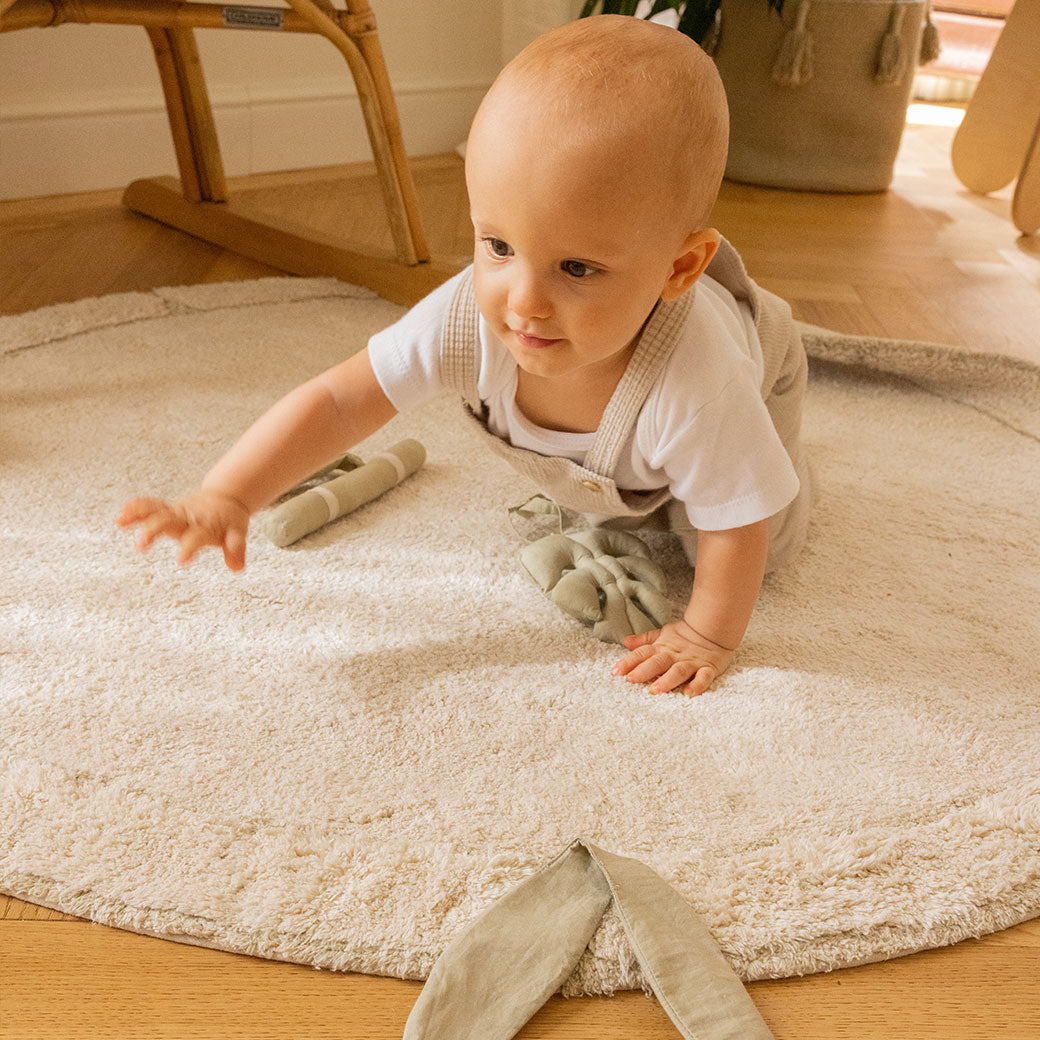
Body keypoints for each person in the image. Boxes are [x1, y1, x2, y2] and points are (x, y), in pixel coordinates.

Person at [117, 15, 811, 698]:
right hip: (637, 442)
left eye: (577, 267)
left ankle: (757, 464)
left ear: (679, 267)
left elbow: (739, 522)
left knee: (744, 529)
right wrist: (229, 492)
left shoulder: (701, 379)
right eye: (499, 247)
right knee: (640, 492)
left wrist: (708, 637)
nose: (524, 301)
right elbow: (340, 400)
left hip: (761, 366)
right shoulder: (467, 319)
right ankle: (648, 469)